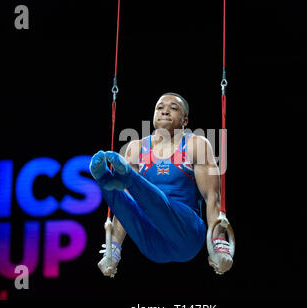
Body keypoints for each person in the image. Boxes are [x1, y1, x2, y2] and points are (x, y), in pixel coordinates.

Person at [89, 93, 234, 276]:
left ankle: (126, 178)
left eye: (173, 108)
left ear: (185, 120)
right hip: (152, 245)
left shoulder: (196, 145)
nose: (165, 111)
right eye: (160, 107)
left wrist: (219, 246)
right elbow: (126, 210)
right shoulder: (136, 148)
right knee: (123, 196)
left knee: (154, 199)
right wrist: (113, 251)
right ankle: (104, 179)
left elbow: (213, 198)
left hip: (187, 234)